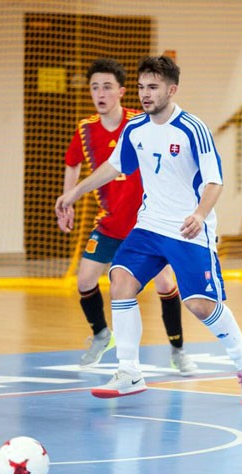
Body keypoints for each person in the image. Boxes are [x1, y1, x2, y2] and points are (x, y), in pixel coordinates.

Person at [55, 55, 242, 404]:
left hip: (188, 229)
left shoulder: (192, 129)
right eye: (140, 87)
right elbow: (112, 166)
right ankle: (129, 371)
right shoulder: (135, 130)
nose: (145, 94)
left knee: (199, 305)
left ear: (171, 89)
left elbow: (215, 181)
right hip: (149, 226)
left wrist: (199, 214)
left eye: (152, 87)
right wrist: (74, 192)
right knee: (120, 279)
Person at [59, 58, 198, 375]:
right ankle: (101, 335)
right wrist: (68, 201)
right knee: (84, 279)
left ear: (122, 91)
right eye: (95, 87)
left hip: (147, 225)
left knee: (165, 283)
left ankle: (178, 349)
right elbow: (72, 163)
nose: (100, 93)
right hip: (110, 223)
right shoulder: (85, 130)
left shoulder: (141, 124)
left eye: (107, 86)